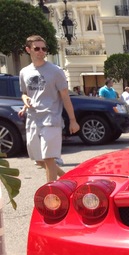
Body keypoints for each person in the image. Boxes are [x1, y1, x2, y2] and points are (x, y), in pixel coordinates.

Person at [19, 34, 79, 183]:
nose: (41, 51)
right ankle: (68, 179)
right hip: (33, 119)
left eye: (44, 48)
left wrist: (73, 120)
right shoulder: (24, 72)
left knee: (49, 158)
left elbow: (65, 96)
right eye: (37, 48)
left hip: (51, 118)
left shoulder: (56, 71)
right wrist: (25, 101)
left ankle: (50, 193)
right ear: (28, 50)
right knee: (38, 160)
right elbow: (25, 94)